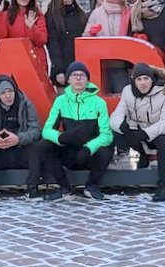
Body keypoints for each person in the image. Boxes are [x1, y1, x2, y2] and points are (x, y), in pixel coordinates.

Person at [39, 62, 114, 201]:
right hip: (69, 151)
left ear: (87, 79)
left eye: (82, 75)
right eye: (74, 75)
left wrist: (89, 148)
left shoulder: (99, 103)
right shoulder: (60, 101)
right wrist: (60, 138)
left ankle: (92, 186)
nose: (78, 78)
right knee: (44, 145)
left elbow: (107, 134)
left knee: (106, 149)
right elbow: (47, 130)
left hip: (89, 154)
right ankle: (64, 188)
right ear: (68, 79)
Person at [110, 63, 165, 202]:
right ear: (133, 80)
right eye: (139, 79)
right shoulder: (127, 91)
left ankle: (164, 185)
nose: (143, 83)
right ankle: (111, 175)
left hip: (158, 132)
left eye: (146, 78)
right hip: (137, 131)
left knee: (162, 140)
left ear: (152, 79)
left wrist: (147, 133)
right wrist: (121, 127)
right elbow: (116, 115)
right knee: (115, 132)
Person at [0, 74, 43, 201]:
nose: (8, 96)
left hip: (20, 150)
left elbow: (36, 130)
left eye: (10, 91)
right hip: (0, 151)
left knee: (37, 147)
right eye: (3, 93)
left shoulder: (26, 105)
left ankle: (32, 188)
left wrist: (19, 138)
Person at [0, 0, 49, 83]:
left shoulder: (37, 15)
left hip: (35, 60)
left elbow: (42, 40)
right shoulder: (7, 15)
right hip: (15, 60)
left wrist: (32, 28)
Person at [84, 0, 131, 95]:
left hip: (122, 63)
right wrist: (91, 33)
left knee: (122, 94)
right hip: (101, 63)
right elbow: (85, 36)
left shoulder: (129, 12)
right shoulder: (96, 13)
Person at [45, 0, 88, 87]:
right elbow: (53, 45)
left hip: (80, 62)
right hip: (63, 64)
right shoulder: (52, 17)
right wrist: (59, 70)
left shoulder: (80, 14)